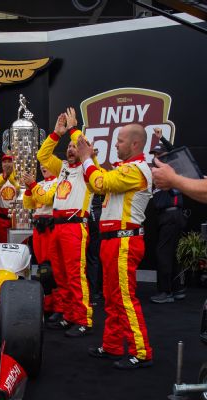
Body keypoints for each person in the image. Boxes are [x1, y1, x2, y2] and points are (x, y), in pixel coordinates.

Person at [78, 123, 154, 369]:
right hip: (113, 241)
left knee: (125, 298)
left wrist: (88, 160)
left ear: (135, 144)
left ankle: (141, 353)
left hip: (124, 241)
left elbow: (101, 184)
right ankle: (111, 346)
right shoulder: (126, 169)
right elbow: (97, 183)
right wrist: (90, 163)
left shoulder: (137, 170)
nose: (115, 144)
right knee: (112, 298)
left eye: (120, 141)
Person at [37, 108, 94, 338]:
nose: (71, 150)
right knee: (60, 274)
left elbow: (84, 146)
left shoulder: (87, 167)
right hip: (57, 226)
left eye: (74, 147)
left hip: (75, 225)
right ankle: (69, 314)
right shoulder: (61, 168)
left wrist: (72, 131)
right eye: (69, 147)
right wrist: (55, 134)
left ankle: (83, 319)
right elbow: (42, 156)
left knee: (74, 274)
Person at [148, 132, 187, 304]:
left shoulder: (172, 168)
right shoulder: (155, 174)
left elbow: (176, 151)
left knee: (163, 253)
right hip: (168, 216)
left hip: (171, 215)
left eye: (160, 154)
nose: (157, 157)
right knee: (171, 254)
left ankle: (165, 292)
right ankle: (177, 289)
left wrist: (163, 139)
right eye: (155, 154)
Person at [22, 166, 57, 313]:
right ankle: (47, 304)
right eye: (41, 164)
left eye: (47, 164)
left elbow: (47, 199)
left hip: (51, 227)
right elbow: (28, 204)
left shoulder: (58, 182)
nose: (43, 167)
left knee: (51, 268)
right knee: (42, 268)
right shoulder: (40, 184)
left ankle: (58, 306)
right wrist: (29, 189)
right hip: (38, 228)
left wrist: (33, 185)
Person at [0, 152, 19, 243]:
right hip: (1, 218)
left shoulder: (18, 178)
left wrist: (11, 177)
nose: (7, 164)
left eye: (9, 161)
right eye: (4, 162)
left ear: (13, 163)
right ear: (2, 165)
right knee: (1, 245)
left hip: (16, 217)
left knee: (17, 245)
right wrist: (5, 177)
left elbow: (21, 191)